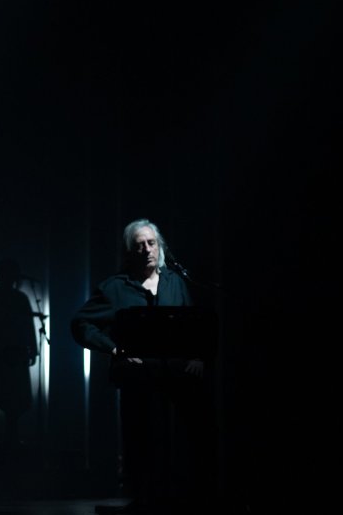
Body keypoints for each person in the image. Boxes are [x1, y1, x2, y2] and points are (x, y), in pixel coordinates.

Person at [71, 219, 215, 515]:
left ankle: (180, 496)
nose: (147, 249)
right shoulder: (114, 287)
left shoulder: (175, 282)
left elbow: (193, 325)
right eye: (139, 245)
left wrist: (198, 357)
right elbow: (80, 323)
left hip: (177, 375)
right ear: (129, 251)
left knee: (180, 439)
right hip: (138, 377)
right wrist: (114, 348)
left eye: (151, 243)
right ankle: (144, 498)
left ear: (159, 246)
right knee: (140, 437)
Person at [0, 258, 37, 452]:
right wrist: (32, 348)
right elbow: (28, 326)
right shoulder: (18, 298)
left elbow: (27, 325)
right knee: (10, 397)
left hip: (0, 354)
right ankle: (6, 439)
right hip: (8, 354)